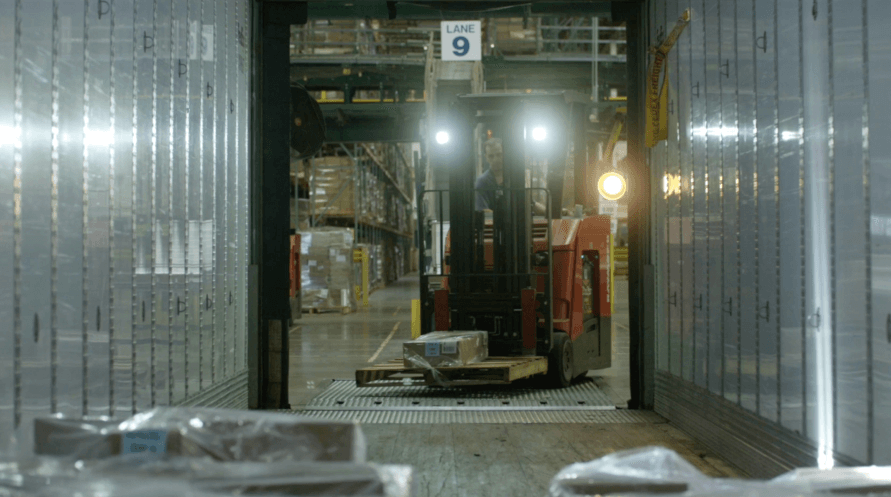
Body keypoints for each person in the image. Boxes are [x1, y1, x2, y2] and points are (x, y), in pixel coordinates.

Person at [475, 138, 548, 215]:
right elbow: (483, 212)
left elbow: (531, 204)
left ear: (506, 154)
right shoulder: (482, 182)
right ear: (486, 157)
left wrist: (550, 213)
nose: (495, 159)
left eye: (499, 154)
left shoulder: (516, 178)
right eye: (491, 156)